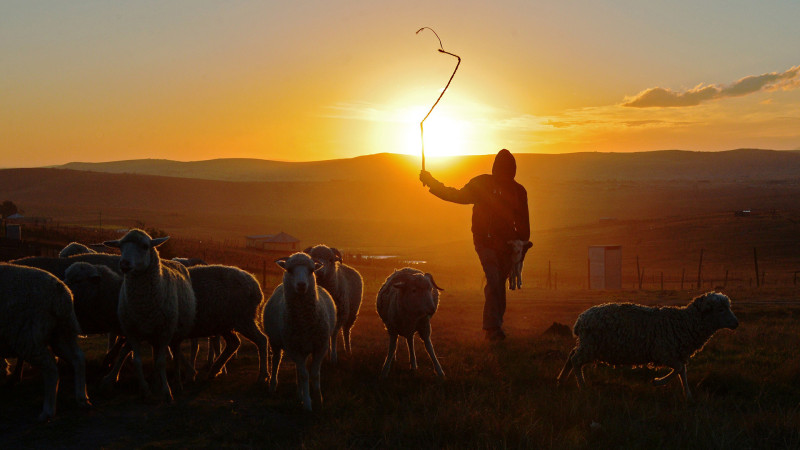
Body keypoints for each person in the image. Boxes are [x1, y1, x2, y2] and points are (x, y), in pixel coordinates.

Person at [419, 149, 530, 341]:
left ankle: (495, 326)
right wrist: (431, 182)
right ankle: (493, 329)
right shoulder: (484, 185)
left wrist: (520, 248)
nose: (504, 177)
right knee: (495, 281)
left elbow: (524, 225)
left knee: (498, 284)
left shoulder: (518, 191)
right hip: (485, 242)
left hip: (507, 246)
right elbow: (456, 195)